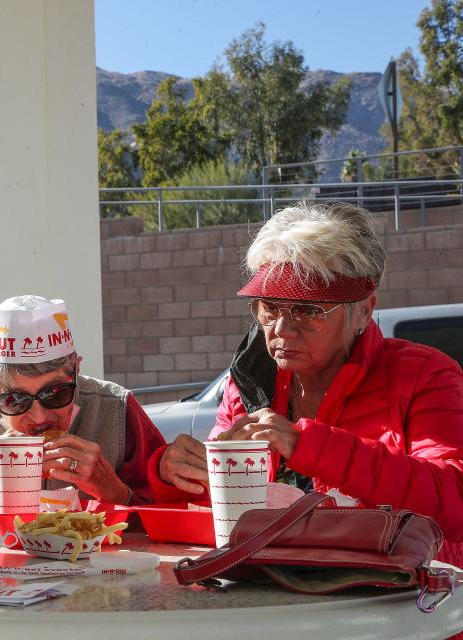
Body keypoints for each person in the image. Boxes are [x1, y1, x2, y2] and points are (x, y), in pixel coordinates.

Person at [157, 202, 463, 566]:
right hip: (275, 599)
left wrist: (306, 444)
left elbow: (453, 502)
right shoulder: (251, 384)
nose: (281, 329)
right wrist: (175, 474)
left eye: (308, 310)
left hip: (400, 609)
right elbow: (224, 510)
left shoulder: (425, 375)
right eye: (269, 307)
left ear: (363, 310)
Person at [0, 295, 187, 515]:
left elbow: (179, 513)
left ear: (76, 372)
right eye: (14, 400)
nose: (39, 416)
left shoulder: (116, 410)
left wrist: (116, 492)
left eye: (55, 393)